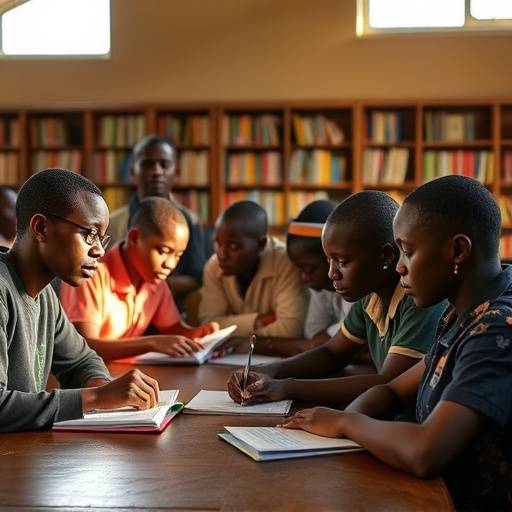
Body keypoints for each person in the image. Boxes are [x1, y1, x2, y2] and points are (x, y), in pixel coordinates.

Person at [280, 176, 512, 510]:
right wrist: (341, 427)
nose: (399, 266)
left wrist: (347, 422)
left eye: (408, 251)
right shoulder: (463, 314)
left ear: (458, 250)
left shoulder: (495, 330)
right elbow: (390, 390)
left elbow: (425, 453)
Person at [227, 191, 446, 407]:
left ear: (385, 256)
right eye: (329, 261)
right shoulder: (370, 296)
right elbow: (332, 353)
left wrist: (286, 387)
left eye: (342, 261)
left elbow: (388, 383)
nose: (332, 273)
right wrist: (266, 370)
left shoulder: (419, 300)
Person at [0, 168, 160, 433]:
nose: (98, 250)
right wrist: (97, 398)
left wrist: (100, 385)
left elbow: (81, 362)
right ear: (41, 228)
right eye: (90, 233)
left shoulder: (47, 296)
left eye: (102, 238)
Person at [60, 197, 218, 362]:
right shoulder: (91, 273)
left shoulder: (155, 280)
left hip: (122, 371)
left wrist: (201, 334)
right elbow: (85, 348)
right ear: (134, 238)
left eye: (178, 255)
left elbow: (173, 329)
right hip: (84, 377)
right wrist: (151, 343)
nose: (170, 264)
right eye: (163, 251)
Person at [198, 201, 308, 353]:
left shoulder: (286, 262)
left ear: (261, 244)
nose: (222, 254)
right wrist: (260, 320)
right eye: (217, 243)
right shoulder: (213, 266)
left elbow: (291, 327)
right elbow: (209, 326)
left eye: (233, 246)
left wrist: (242, 340)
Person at [107, 135, 206, 302]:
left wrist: (154, 290)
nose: (156, 171)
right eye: (147, 165)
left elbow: (197, 277)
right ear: (132, 171)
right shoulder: (112, 222)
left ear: (176, 172)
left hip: (172, 305)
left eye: (164, 164)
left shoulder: (189, 220)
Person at [287, 199, 352, 346]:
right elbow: (313, 331)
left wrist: (329, 338)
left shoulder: (355, 285)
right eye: (299, 269)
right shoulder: (321, 287)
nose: (303, 277)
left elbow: (355, 336)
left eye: (309, 269)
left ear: (331, 258)